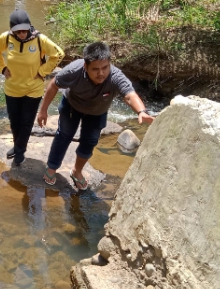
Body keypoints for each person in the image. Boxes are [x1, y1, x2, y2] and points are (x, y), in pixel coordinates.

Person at [36, 42, 153, 189]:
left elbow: (129, 95)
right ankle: (52, 167)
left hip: (97, 111)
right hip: (72, 105)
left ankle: (77, 171)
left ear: (109, 64)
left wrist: (141, 111)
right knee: (64, 135)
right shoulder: (74, 70)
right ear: (85, 67)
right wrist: (43, 110)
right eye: (95, 69)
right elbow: (54, 84)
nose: (101, 73)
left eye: (105, 67)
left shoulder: (115, 76)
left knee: (90, 141)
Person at [0, 9, 64, 165]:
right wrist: (2, 68)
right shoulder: (6, 38)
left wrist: (43, 71)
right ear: (13, 30)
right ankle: (18, 145)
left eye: (25, 30)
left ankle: (19, 151)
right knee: (14, 121)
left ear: (29, 27)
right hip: (12, 88)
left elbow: (59, 54)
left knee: (26, 121)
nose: (23, 34)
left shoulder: (40, 40)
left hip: (33, 88)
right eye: (19, 31)